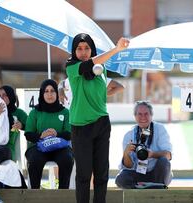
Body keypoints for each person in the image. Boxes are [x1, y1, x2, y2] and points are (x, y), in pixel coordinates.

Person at [65, 33, 129, 203]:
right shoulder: (71, 67)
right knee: (84, 175)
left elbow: (104, 89)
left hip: (101, 123)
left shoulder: (102, 70)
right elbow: (89, 64)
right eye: (79, 48)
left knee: (101, 174)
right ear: (74, 50)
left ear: (92, 49)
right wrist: (116, 49)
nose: (83, 52)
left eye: (87, 48)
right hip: (80, 127)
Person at [24, 79, 74, 189]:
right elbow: (28, 134)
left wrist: (57, 134)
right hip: (38, 147)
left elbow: (69, 133)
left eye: (52, 91)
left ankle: (62, 194)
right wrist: (41, 136)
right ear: (42, 94)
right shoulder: (35, 112)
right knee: (35, 160)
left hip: (60, 147)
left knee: (67, 158)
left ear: (57, 93)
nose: (49, 94)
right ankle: (35, 194)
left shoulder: (65, 112)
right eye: (46, 91)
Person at [115, 101, 172, 189]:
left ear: (151, 115)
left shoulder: (160, 129)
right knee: (120, 178)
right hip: (138, 173)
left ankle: (149, 187)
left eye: (146, 114)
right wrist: (126, 154)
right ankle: (150, 188)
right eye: (139, 114)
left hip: (157, 174)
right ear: (135, 116)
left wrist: (152, 154)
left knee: (164, 162)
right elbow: (128, 166)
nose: (143, 117)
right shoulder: (129, 135)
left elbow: (168, 155)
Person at [58, 77, 124, 108]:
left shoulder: (99, 78)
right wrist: (60, 90)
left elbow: (120, 87)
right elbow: (62, 83)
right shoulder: (73, 77)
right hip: (71, 116)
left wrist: (101, 94)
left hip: (90, 116)